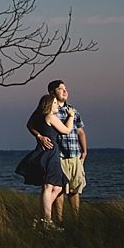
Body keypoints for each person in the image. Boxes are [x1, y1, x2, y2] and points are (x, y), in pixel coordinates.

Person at [28, 79, 87, 219]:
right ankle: (56, 219)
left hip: (74, 154)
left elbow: (80, 131)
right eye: (61, 89)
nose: (65, 91)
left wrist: (84, 151)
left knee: (74, 189)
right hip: (57, 155)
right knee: (57, 189)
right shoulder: (48, 111)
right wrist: (39, 136)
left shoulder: (73, 110)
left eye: (65, 88)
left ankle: (75, 220)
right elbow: (30, 124)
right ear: (52, 93)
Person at [14, 93, 75, 229]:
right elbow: (66, 130)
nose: (56, 105)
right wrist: (71, 115)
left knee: (58, 186)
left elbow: (29, 125)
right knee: (49, 186)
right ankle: (46, 220)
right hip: (50, 152)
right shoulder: (50, 117)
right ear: (48, 105)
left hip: (49, 152)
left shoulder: (38, 117)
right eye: (54, 103)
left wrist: (39, 135)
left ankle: (42, 217)